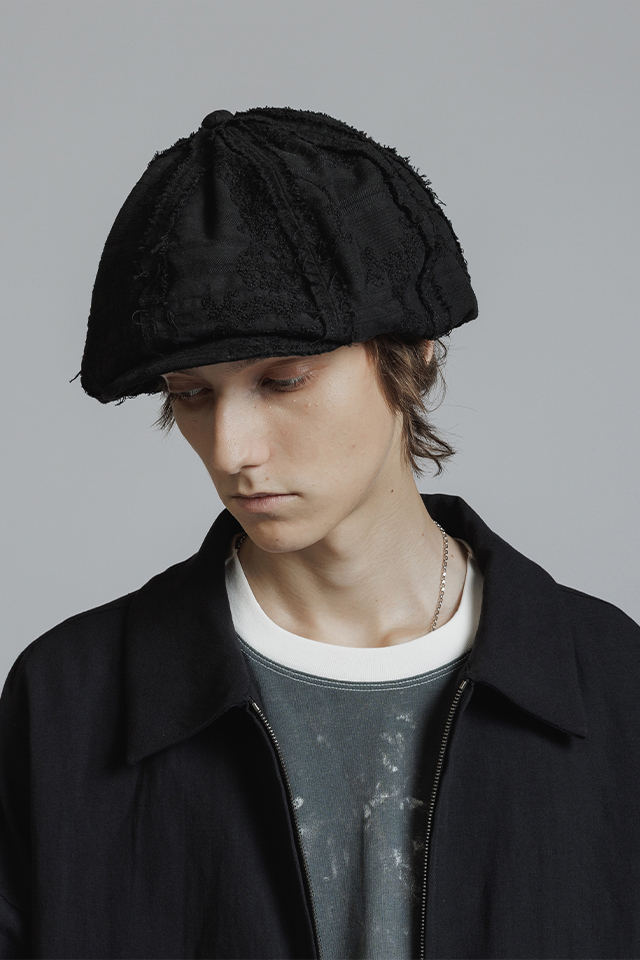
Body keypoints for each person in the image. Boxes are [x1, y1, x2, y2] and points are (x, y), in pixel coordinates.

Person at [0, 106, 638, 960]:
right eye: (191, 394)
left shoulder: (613, 682)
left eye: (283, 380)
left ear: (414, 352)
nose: (231, 450)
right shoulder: (68, 701)